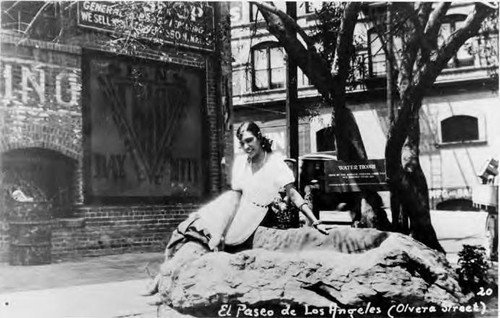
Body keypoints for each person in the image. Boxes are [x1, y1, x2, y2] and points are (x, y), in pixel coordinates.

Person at [143, 121, 327, 296]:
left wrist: (315, 220)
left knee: (208, 246)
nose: (247, 146)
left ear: (259, 137)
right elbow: (234, 198)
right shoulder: (241, 163)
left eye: (250, 140)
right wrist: (220, 230)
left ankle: (164, 281)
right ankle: (161, 280)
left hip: (254, 217)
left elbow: (293, 194)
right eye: (242, 143)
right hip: (232, 212)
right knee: (192, 233)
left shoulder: (275, 163)